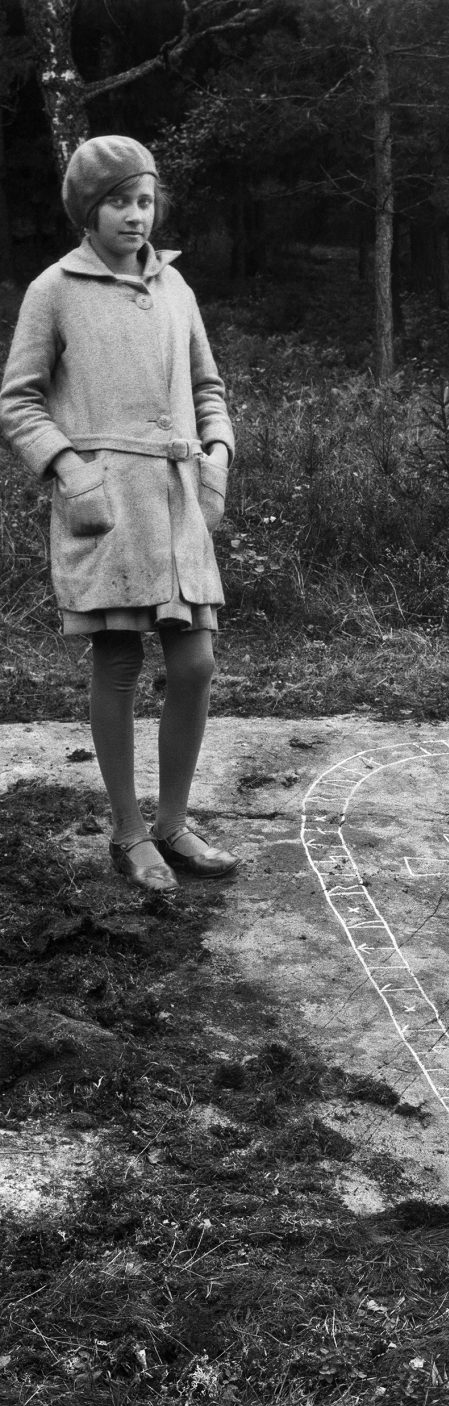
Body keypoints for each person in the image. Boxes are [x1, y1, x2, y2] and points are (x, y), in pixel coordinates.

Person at [0, 134, 239, 896]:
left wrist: (219, 451)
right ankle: (129, 832)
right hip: (105, 502)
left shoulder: (177, 288)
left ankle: (173, 822)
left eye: (144, 200)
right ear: (87, 210)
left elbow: (209, 386)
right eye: (118, 202)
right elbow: (19, 400)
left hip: (177, 500)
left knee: (195, 663)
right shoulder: (55, 289)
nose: (136, 216)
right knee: (119, 663)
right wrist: (70, 470)